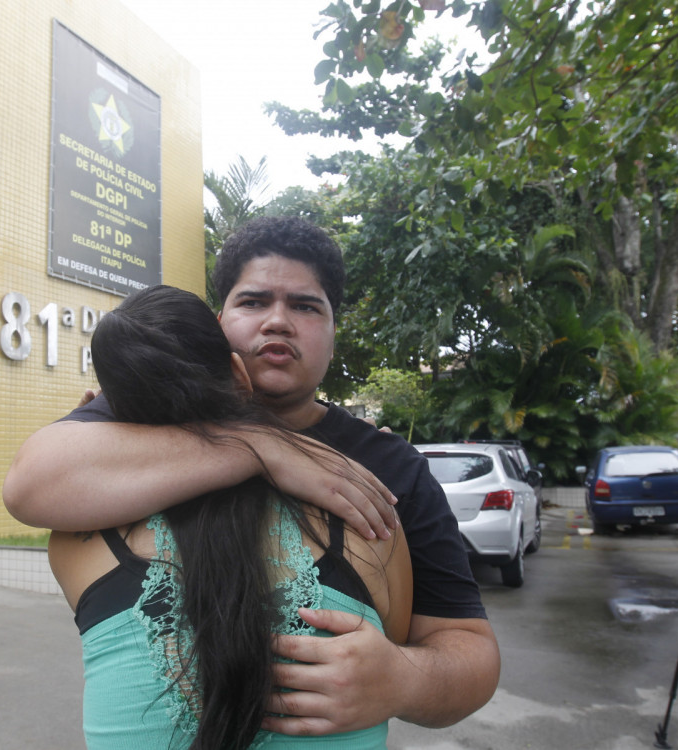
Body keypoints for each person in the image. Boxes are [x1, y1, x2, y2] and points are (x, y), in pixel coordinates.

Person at [5, 216, 499, 733]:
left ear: (334, 332)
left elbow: (470, 650)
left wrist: (403, 678)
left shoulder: (391, 467)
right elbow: (28, 484)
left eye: (306, 306)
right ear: (220, 324)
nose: (278, 321)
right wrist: (259, 446)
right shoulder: (129, 419)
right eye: (254, 301)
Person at [49, 284, 412, 747]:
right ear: (239, 373)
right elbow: (393, 647)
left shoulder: (75, 542)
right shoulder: (370, 523)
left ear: (108, 410)